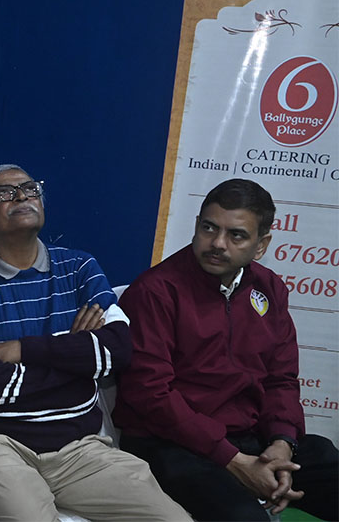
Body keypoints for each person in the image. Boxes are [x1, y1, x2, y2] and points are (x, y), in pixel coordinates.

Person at [0, 164, 188, 521]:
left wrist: (23, 349)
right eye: (4, 193)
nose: (21, 196)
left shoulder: (80, 270)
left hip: (79, 448)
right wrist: (76, 355)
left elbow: (120, 350)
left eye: (30, 188)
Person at [114, 178, 338, 521]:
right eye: (208, 228)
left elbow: (281, 378)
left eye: (236, 235)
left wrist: (281, 444)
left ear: (261, 245)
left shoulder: (269, 288)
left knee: (323, 458)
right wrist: (231, 460)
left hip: (248, 439)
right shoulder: (155, 291)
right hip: (170, 444)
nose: (217, 244)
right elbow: (151, 395)